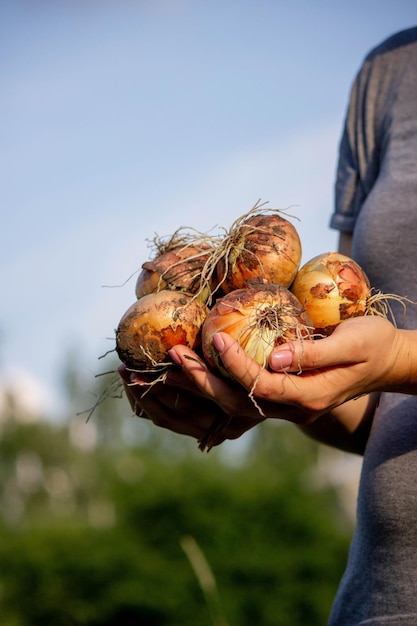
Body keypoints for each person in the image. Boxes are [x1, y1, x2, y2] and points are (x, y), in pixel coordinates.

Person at [119, 26, 417, 625]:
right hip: (382, 597)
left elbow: (388, 360)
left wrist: (400, 358)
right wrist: (272, 391)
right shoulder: (387, 72)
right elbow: (373, 409)